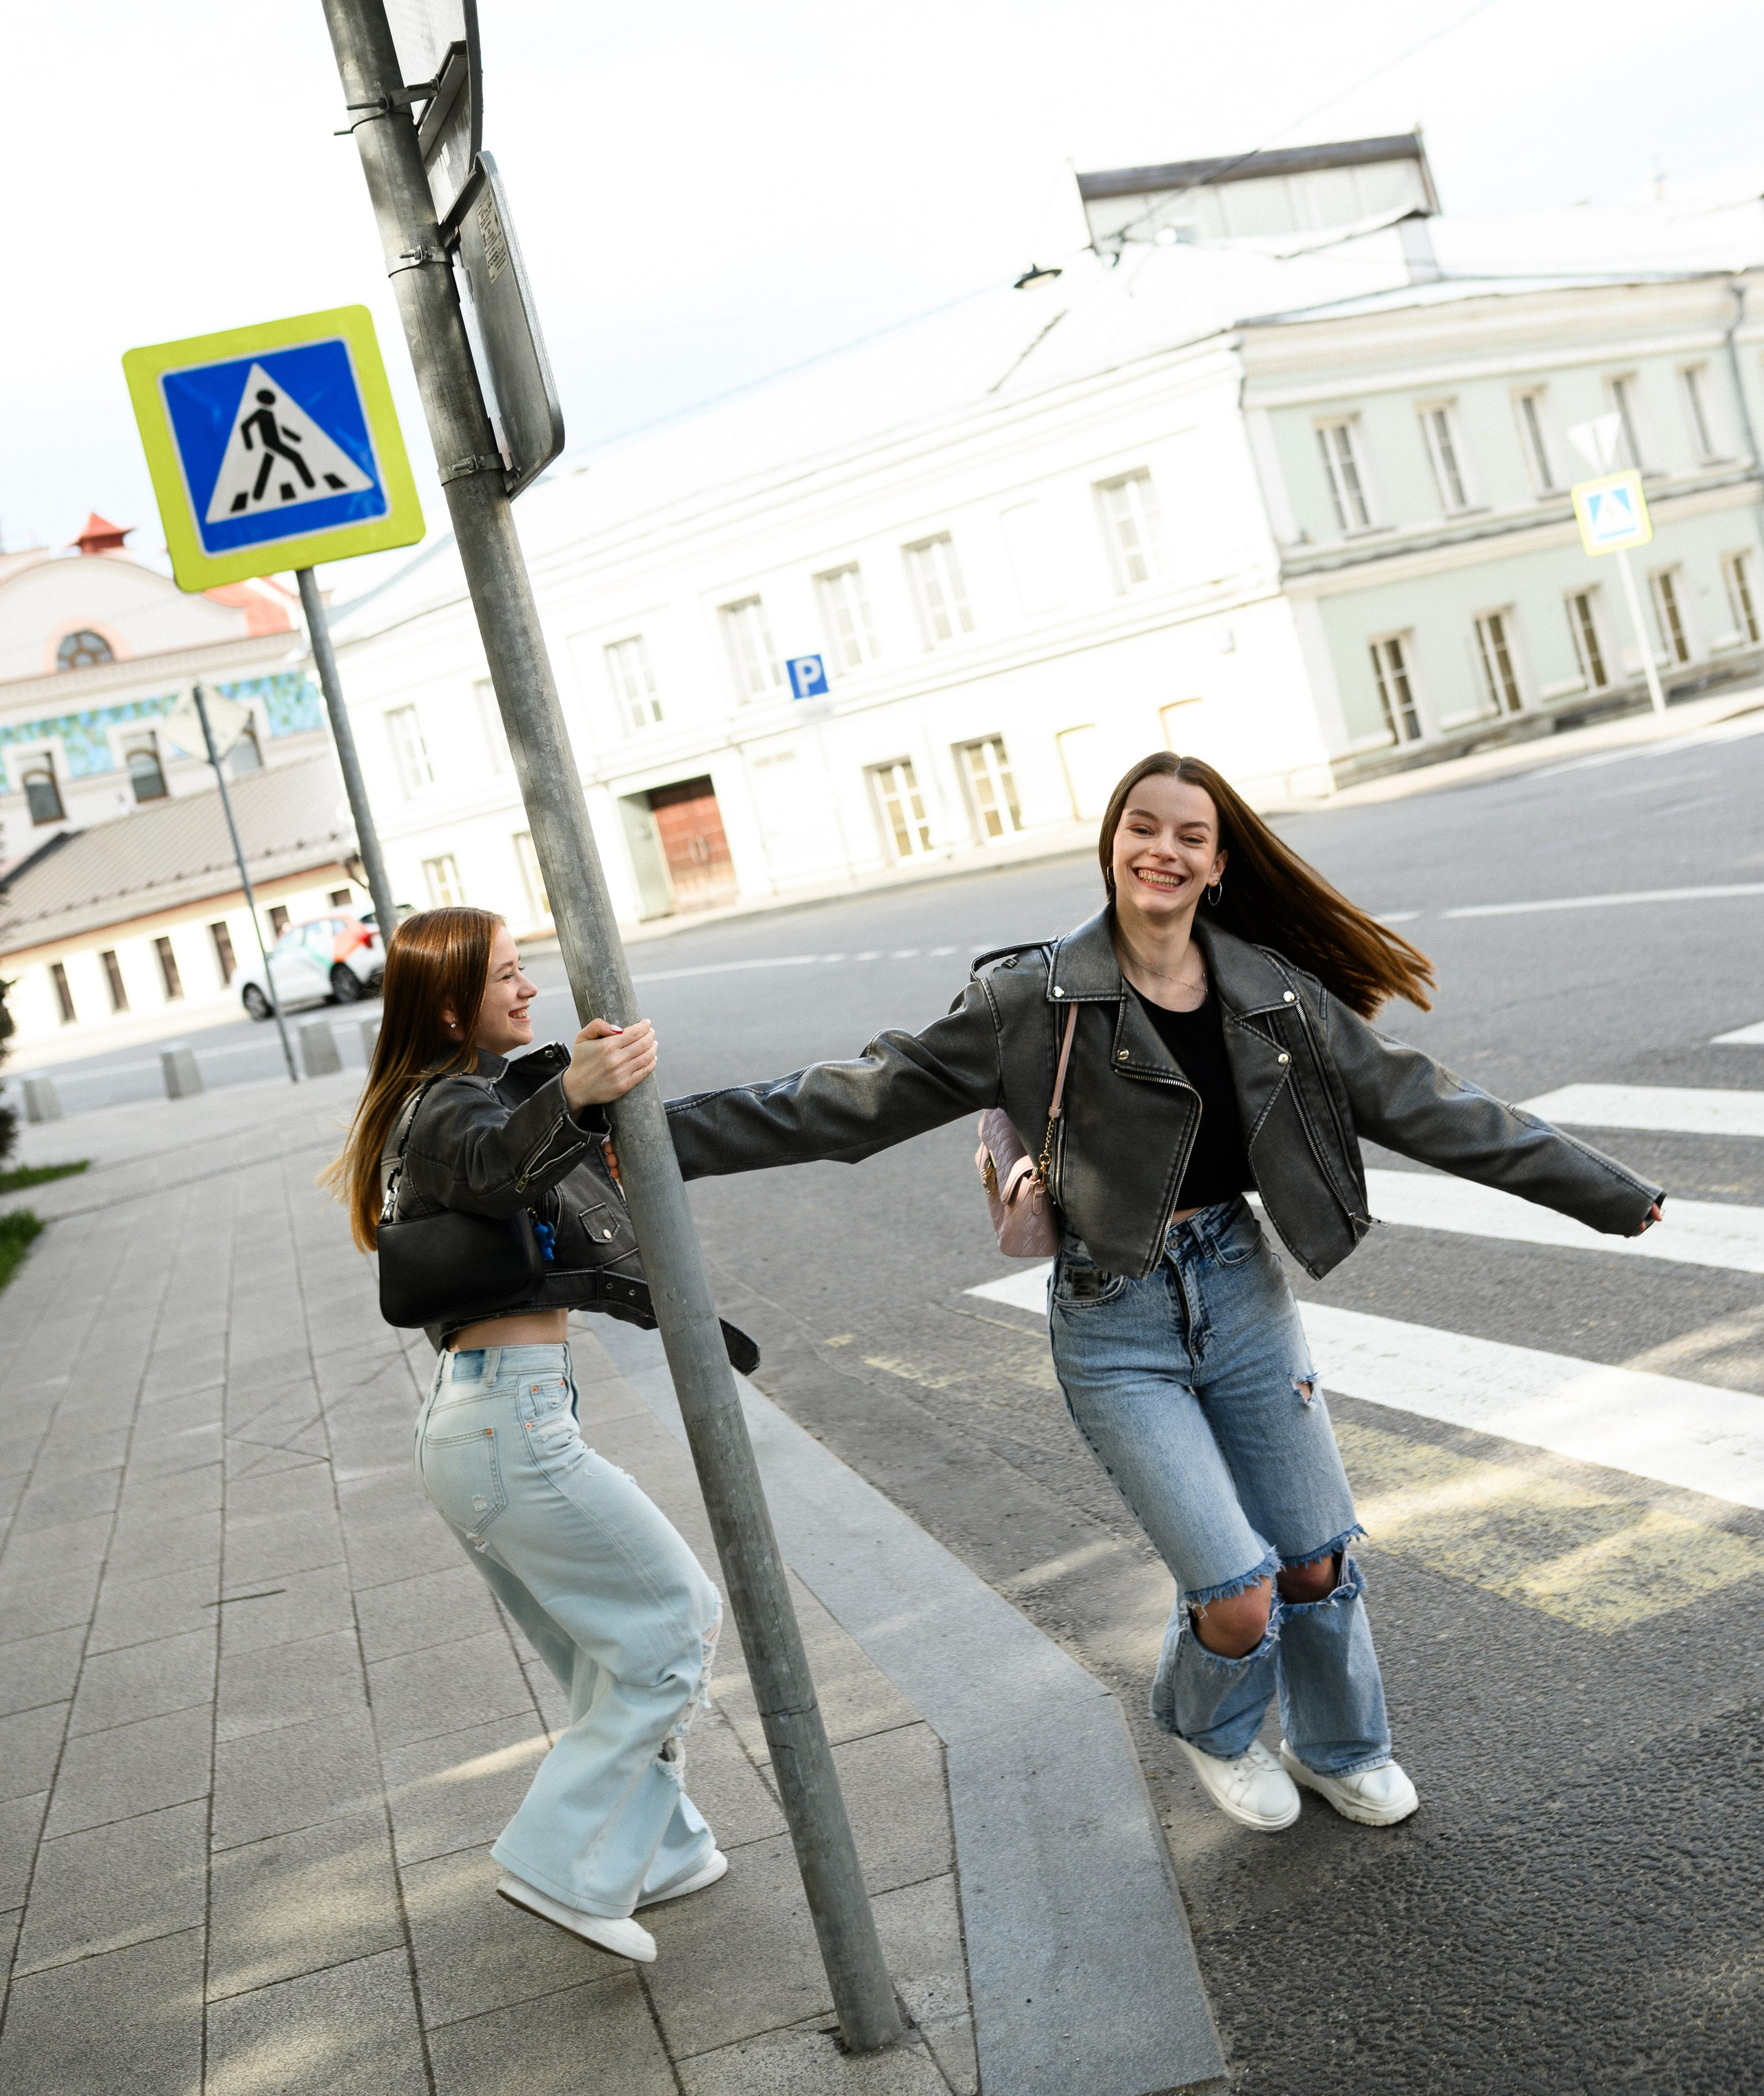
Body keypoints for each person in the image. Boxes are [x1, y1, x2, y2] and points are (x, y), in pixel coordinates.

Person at [664, 751, 1665, 1835]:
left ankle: (1341, 1747)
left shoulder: (1272, 991)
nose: (1164, 850)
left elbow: (1425, 1101)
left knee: (1315, 1559)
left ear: (1219, 865)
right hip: (1115, 1319)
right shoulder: (1030, 998)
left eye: (1191, 835)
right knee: (1235, 1591)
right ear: (1111, 844)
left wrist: (1603, 1191)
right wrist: (651, 1135)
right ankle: (1213, 1727)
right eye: (1143, 826)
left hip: (1239, 1285)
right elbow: (849, 1101)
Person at [327, 906, 724, 1964]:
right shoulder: (448, 1106)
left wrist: (572, 1094)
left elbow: (513, 1167)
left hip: (484, 1422)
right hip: (509, 1424)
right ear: (450, 1007)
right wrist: (575, 1093)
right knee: (675, 1624)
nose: (529, 988)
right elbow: (500, 1161)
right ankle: (557, 1863)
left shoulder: (443, 1100)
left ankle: (662, 1851)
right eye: (506, 975)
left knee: (607, 1655)